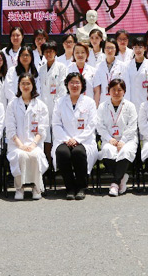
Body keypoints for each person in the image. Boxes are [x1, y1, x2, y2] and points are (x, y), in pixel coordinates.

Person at [52, 72, 98, 200]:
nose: (74, 85)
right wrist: (67, 139)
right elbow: (56, 124)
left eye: (77, 82)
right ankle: (70, 187)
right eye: (71, 82)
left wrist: (77, 139)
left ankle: (81, 187)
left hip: (84, 140)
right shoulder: (60, 102)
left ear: (82, 85)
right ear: (67, 85)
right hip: (64, 139)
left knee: (78, 152)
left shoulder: (89, 102)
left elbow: (91, 125)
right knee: (62, 152)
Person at [5, 73, 50, 200]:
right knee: (21, 155)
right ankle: (19, 187)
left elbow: (42, 129)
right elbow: (10, 128)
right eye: (23, 83)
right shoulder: (12, 104)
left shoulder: (41, 105)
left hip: (34, 143)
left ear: (33, 85)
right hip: (16, 144)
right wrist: (20, 145)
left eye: (28, 83)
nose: (25, 86)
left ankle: (37, 187)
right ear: (18, 86)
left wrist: (33, 144)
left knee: (35, 155)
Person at [96, 78, 138, 197]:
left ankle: (115, 183)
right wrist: (110, 139)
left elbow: (132, 125)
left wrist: (123, 141)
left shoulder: (130, 106)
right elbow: (100, 126)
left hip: (127, 139)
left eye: (119, 90)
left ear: (124, 91)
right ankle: (122, 178)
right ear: (108, 91)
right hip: (109, 139)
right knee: (107, 150)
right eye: (113, 89)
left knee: (125, 151)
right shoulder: (102, 106)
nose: (116, 92)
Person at [123, 36, 148, 107]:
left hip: (147, 102)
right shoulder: (126, 65)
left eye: (140, 47)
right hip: (130, 102)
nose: (138, 50)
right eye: (135, 47)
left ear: (145, 48)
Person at [38, 41, 67, 111]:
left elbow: (63, 87)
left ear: (55, 52)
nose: (48, 54)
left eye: (51, 51)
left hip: (57, 103)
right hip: (43, 103)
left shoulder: (61, 67)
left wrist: (58, 102)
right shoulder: (41, 69)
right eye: (46, 52)